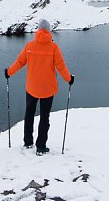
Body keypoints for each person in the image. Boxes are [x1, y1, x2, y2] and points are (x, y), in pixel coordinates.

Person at [4, 18, 75, 154]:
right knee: (44, 117)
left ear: (38, 30)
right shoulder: (54, 47)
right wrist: (69, 79)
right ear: (48, 31)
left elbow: (19, 62)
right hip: (48, 89)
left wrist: (8, 72)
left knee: (29, 114)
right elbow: (61, 67)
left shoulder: (30, 46)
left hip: (32, 88)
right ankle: (41, 147)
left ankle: (28, 142)